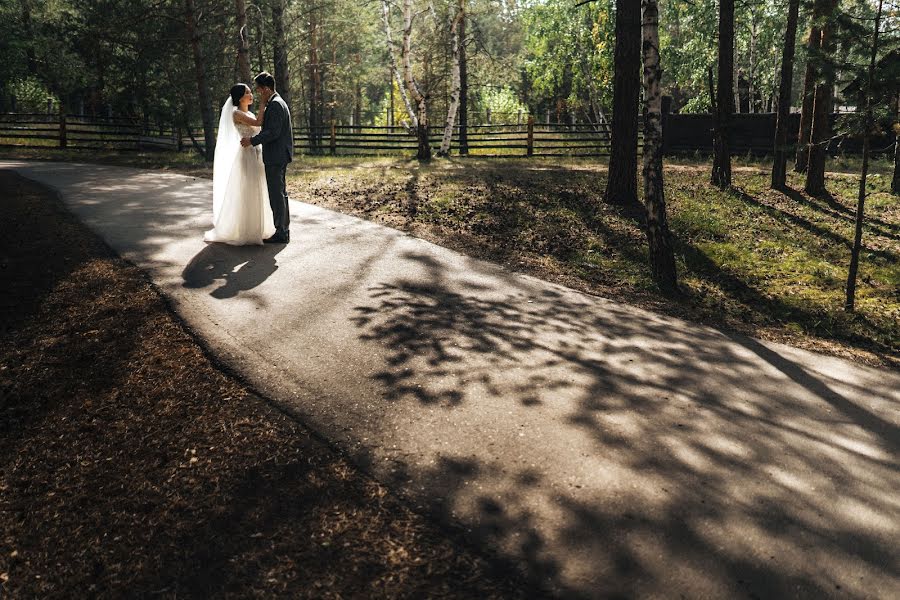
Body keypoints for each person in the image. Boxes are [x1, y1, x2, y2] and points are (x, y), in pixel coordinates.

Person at [204, 83, 276, 245]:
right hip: (247, 154)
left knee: (258, 189)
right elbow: (258, 123)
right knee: (248, 190)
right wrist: (264, 102)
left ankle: (258, 228)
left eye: (251, 92)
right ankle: (246, 230)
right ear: (240, 97)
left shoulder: (247, 112)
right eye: (248, 93)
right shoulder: (236, 113)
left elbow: (258, 124)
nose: (251, 95)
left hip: (256, 152)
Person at [240, 71, 293, 244]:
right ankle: (283, 230)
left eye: (260, 89)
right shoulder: (276, 102)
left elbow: (273, 132)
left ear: (267, 89)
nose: (258, 92)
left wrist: (252, 141)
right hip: (279, 155)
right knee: (280, 193)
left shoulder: (276, 104)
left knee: (276, 194)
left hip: (276, 156)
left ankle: (281, 232)